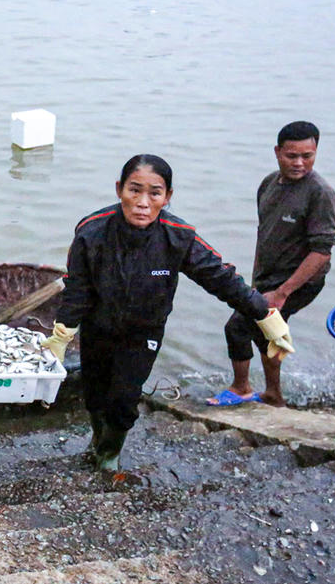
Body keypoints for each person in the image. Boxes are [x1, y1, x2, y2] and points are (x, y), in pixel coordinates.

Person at [42, 154, 295, 471]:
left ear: (168, 196)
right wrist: (61, 335)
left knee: (123, 400)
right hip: (98, 328)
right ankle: (98, 441)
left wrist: (265, 316)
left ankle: (108, 458)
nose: (143, 203)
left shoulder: (178, 236)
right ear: (119, 189)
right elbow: (77, 289)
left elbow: (221, 278)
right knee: (95, 395)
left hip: (143, 333)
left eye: (154, 193)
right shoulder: (91, 232)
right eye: (134, 190)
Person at [211, 121, 335, 407]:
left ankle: (241, 387)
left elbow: (321, 253)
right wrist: (257, 283)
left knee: (237, 328)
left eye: (307, 156)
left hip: (300, 281)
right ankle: (273, 394)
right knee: (265, 332)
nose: (299, 163)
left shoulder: (321, 194)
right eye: (291, 155)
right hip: (269, 278)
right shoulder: (268, 184)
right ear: (277, 152)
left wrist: (283, 292)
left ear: (316, 152)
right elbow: (264, 234)